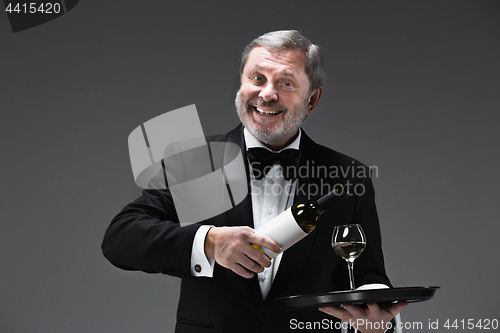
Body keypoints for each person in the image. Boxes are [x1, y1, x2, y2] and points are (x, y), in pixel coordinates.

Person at [102, 30, 406, 333]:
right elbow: (121, 238)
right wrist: (210, 242)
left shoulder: (348, 175)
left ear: (312, 99)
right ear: (241, 85)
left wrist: (380, 322)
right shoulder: (195, 163)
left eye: (286, 83)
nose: (267, 94)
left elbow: (366, 275)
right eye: (257, 79)